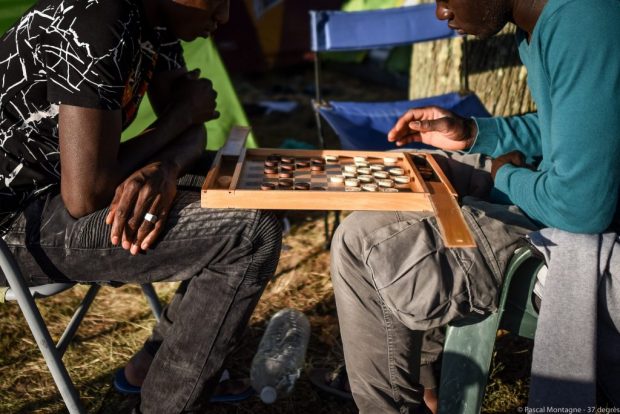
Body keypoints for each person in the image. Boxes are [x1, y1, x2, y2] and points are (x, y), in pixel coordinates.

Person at [329, 0, 620, 412]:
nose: (441, 12)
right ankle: (428, 385)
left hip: (581, 219)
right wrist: (473, 134)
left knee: (361, 241)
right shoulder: (542, 22)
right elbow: (575, 126)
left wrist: (503, 176)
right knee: (416, 172)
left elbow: (581, 209)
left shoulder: (583, 21)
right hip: (557, 190)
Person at [0, 0, 282, 413]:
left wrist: (167, 167)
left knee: (241, 182)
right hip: (16, 224)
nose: (224, 17)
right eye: (218, 0)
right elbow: (86, 197)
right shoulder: (98, 20)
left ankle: (154, 363)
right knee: (249, 235)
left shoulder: (156, 21)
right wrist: (179, 117)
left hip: (62, 192)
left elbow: (195, 131)